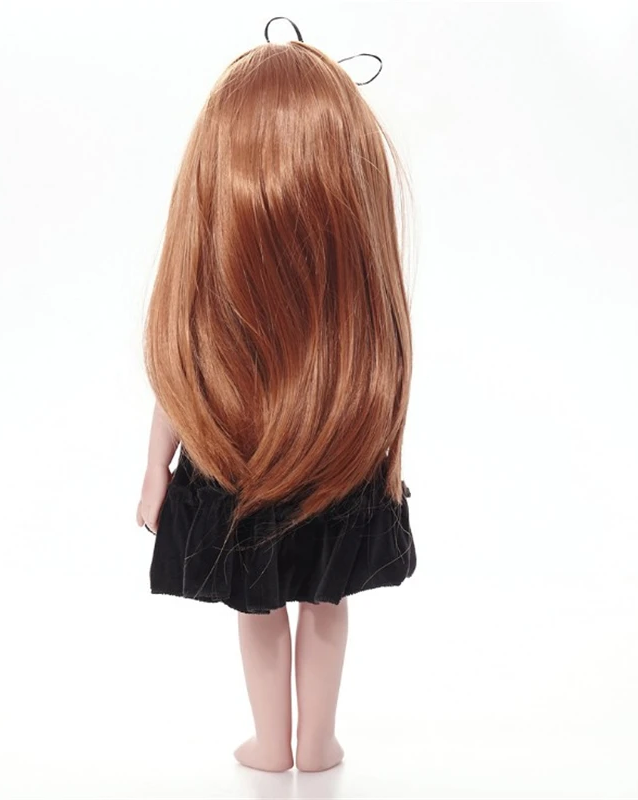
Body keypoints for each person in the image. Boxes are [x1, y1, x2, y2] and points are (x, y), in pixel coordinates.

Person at [136, 17, 416, 773]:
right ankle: (310, 742)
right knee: (319, 599)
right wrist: (155, 469)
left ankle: (279, 742)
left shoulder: (340, 317)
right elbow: (182, 367)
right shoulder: (349, 311)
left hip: (271, 456)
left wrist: (157, 468)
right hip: (299, 455)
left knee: (264, 605)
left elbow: (179, 371)